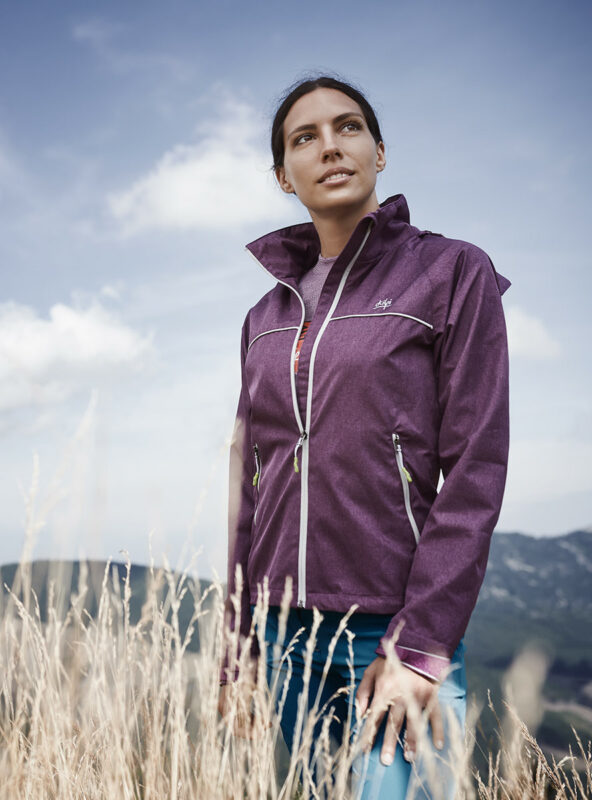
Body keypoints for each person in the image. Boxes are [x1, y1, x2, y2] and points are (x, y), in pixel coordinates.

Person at [217, 75, 510, 799]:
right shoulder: (265, 315)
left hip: (391, 630)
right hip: (286, 637)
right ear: (285, 176)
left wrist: (418, 647)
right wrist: (239, 649)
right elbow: (248, 489)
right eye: (304, 138)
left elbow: (476, 465)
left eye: (348, 128)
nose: (330, 146)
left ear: (380, 151)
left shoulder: (449, 272)